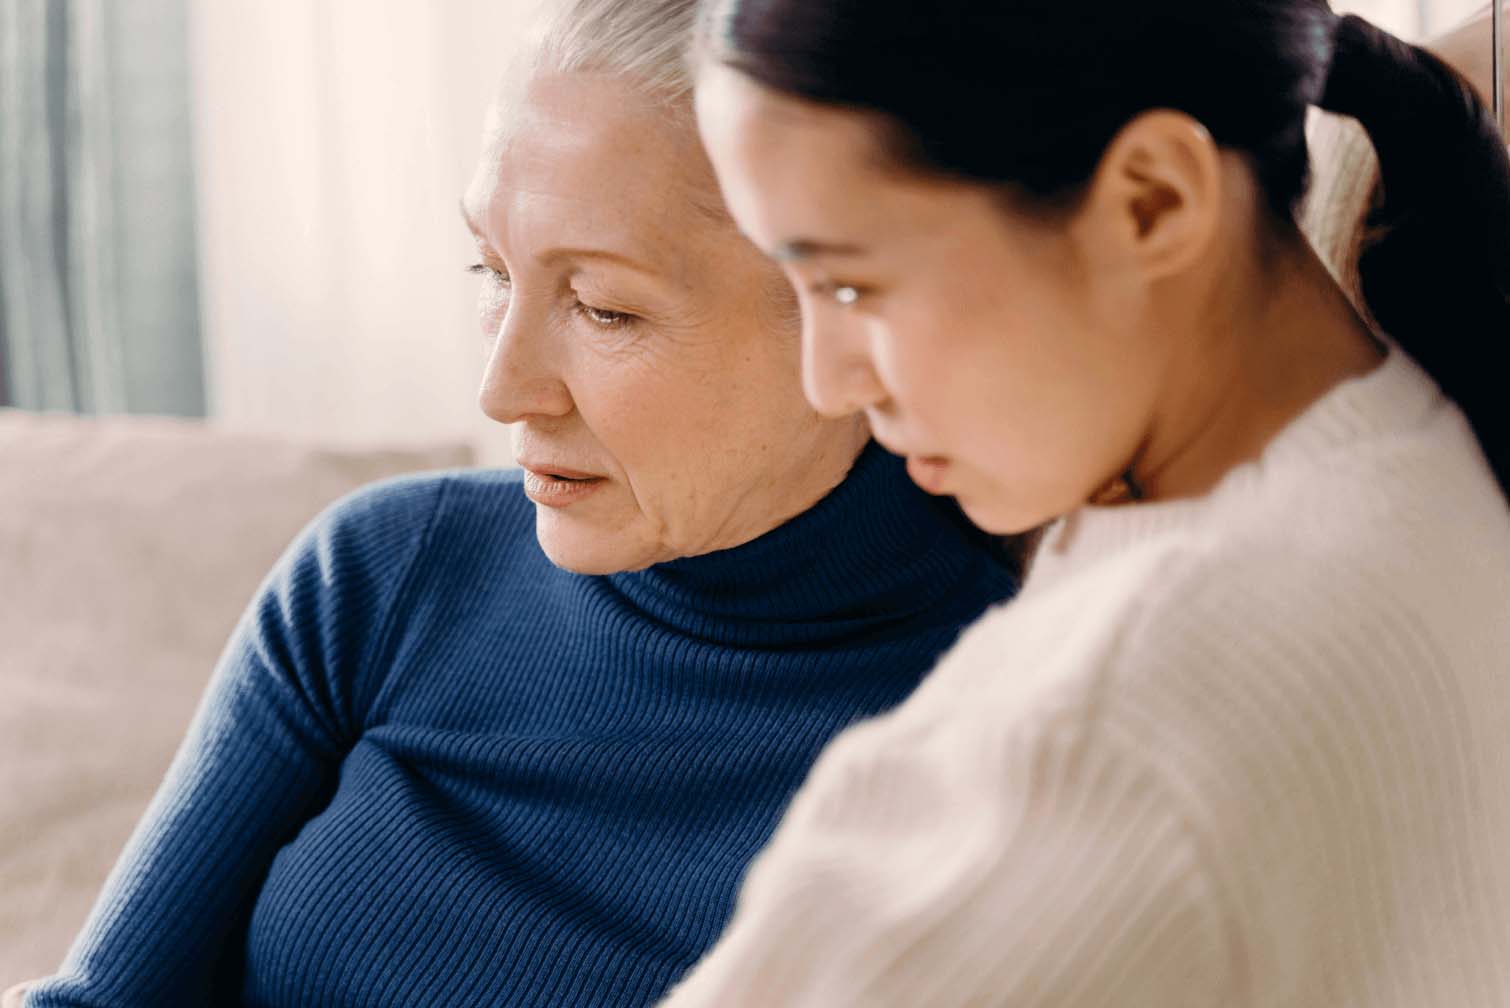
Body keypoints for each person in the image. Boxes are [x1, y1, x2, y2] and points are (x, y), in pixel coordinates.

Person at [16, 2, 1020, 1006]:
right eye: (491, 270)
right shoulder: (386, 573)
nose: (502, 388)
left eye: (604, 308)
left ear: (850, 314)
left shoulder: (1011, 741)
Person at [668, 0, 1510, 1005]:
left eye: (853, 287)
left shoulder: (1112, 724)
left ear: (1152, 202)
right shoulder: (1416, 453)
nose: (827, 381)